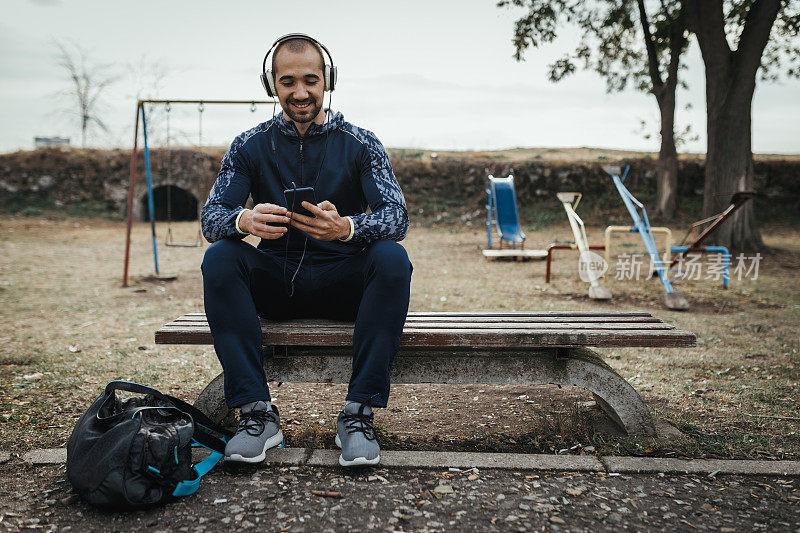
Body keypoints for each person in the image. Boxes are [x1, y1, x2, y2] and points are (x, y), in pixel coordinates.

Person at [200, 33, 412, 467]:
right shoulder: (247, 144)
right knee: (220, 256)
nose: (300, 92)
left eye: (311, 80)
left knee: (392, 257)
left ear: (327, 80)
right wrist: (243, 221)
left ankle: (358, 415)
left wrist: (348, 228)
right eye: (288, 81)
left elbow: (397, 217)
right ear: (271, 85)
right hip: (277, 283)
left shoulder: (362, 142)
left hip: (344, 284)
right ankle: (257, 415)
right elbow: (210, 218)